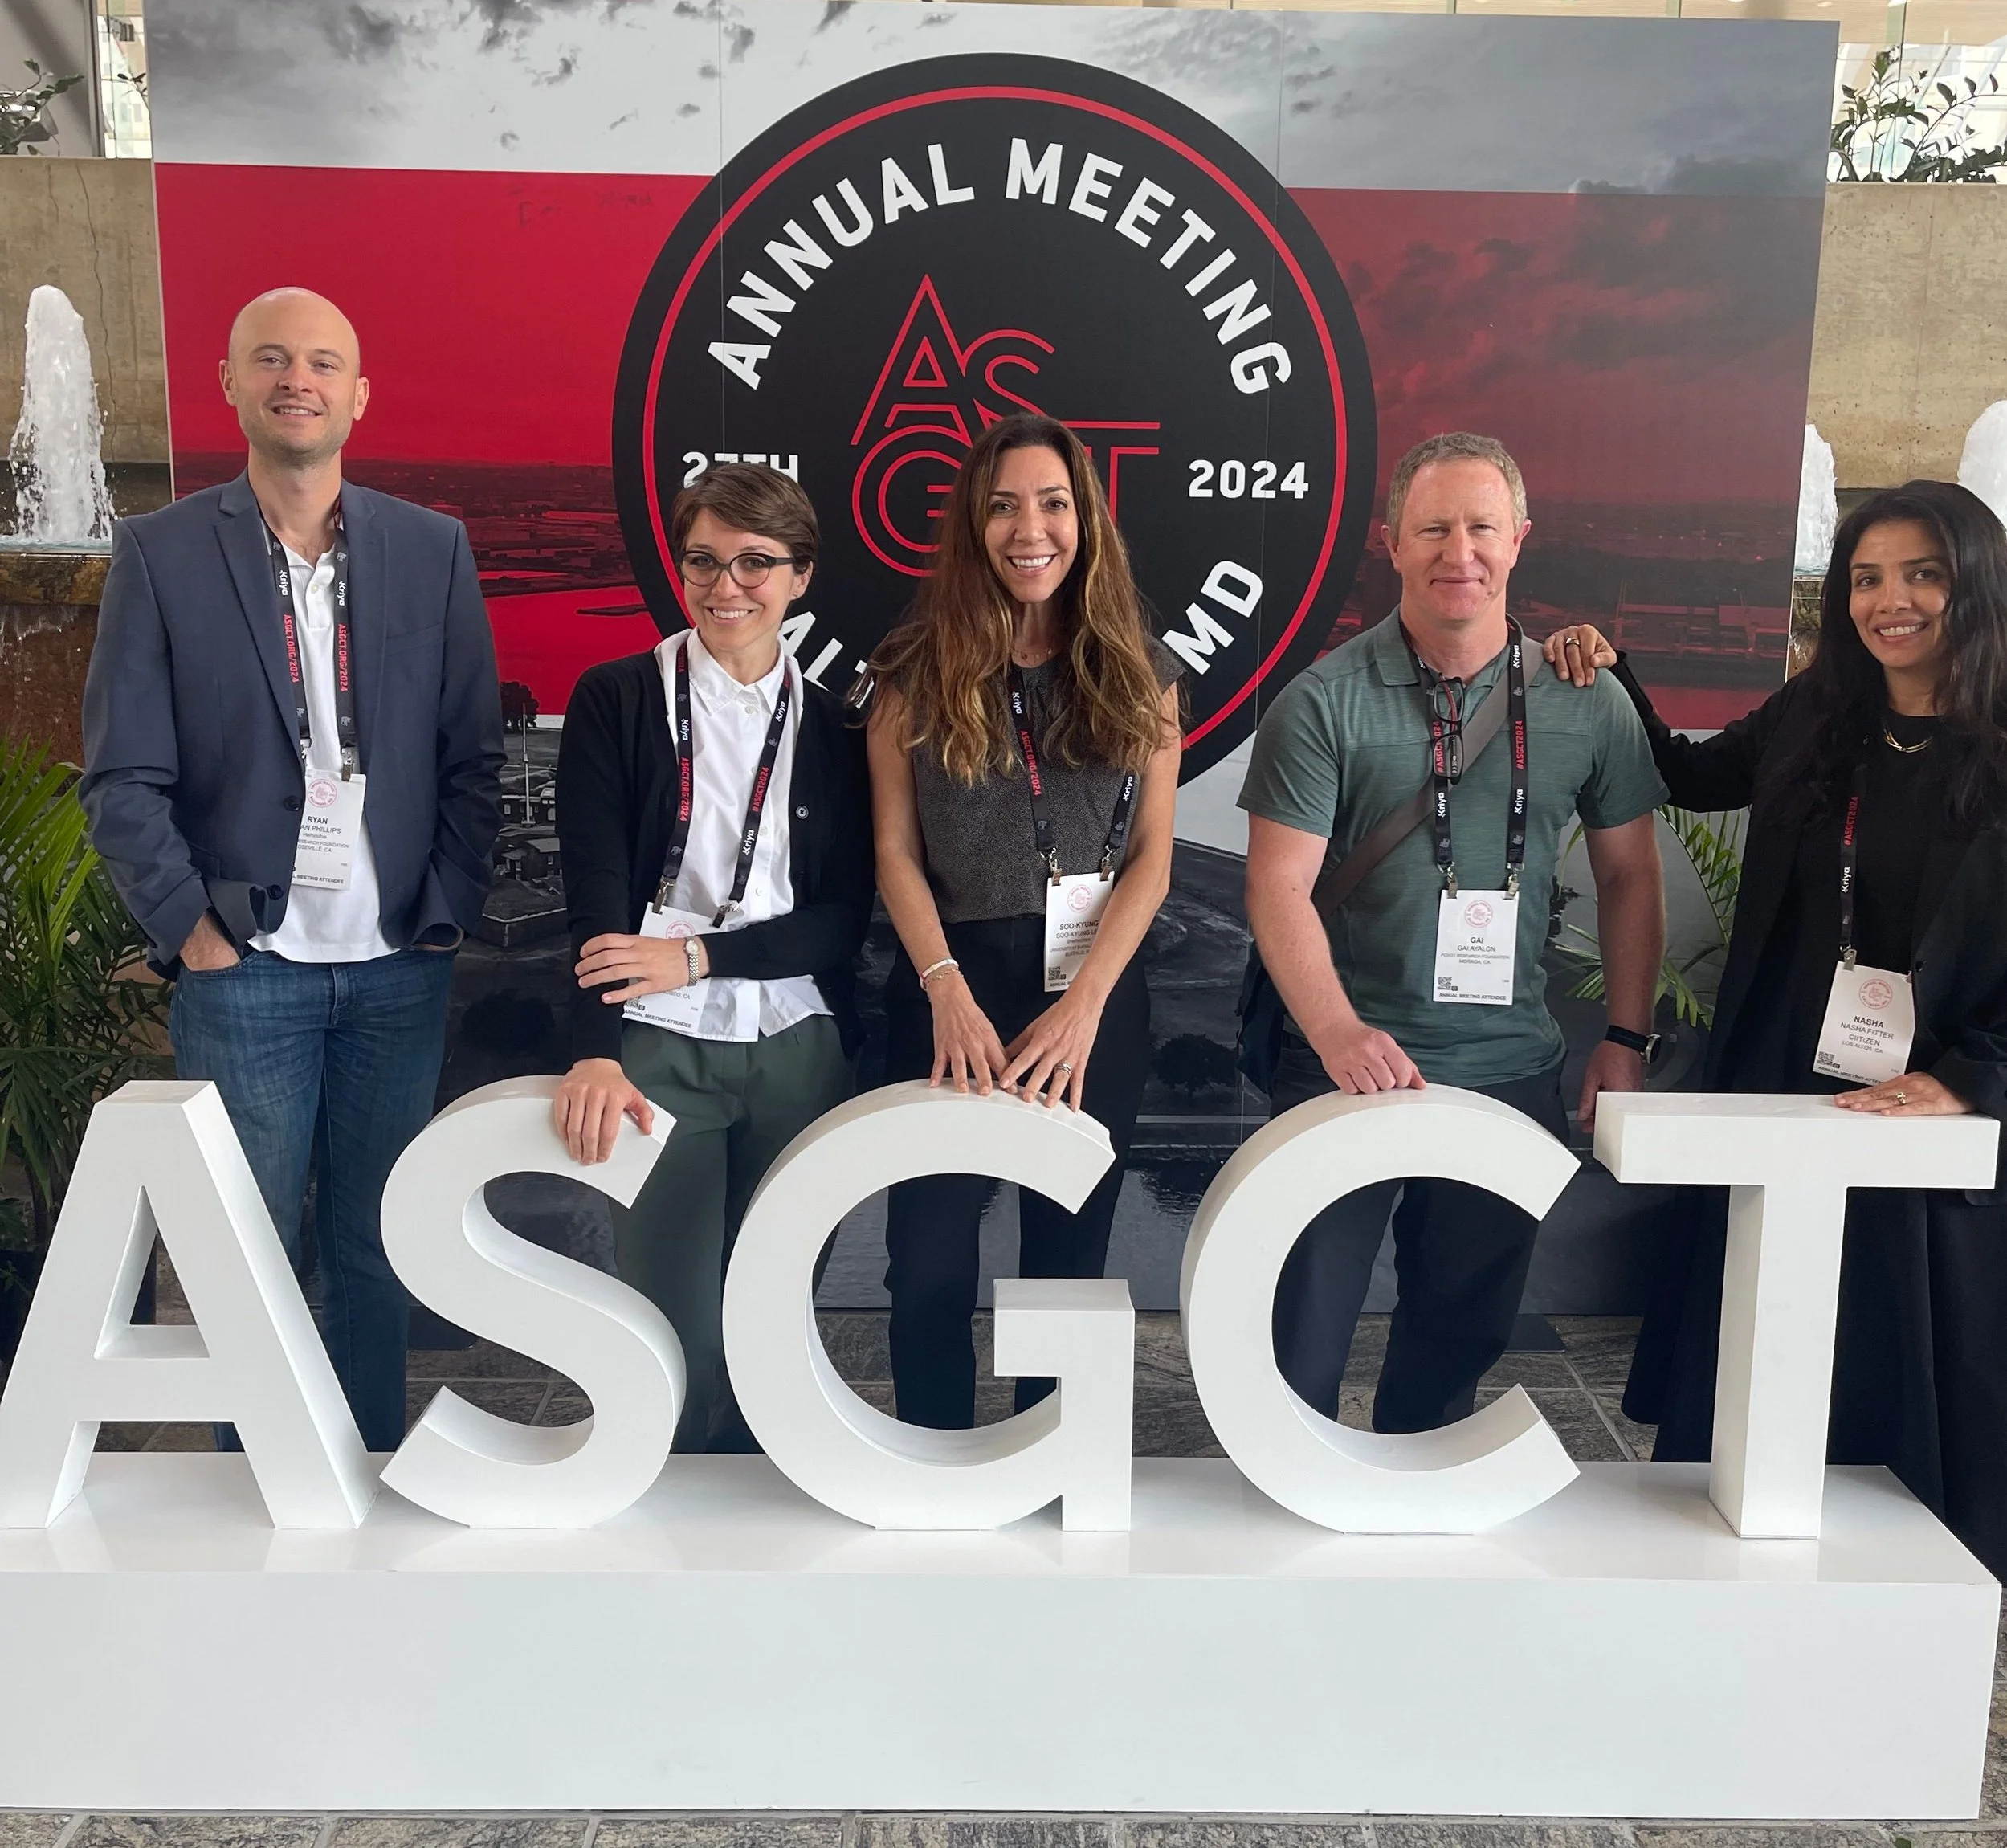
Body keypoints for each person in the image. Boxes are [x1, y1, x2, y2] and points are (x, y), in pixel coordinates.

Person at [1544, 479, 2007, 1574]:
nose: (1886, 601)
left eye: (1919, 574)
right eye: (1864, 577)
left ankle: (1909, 1561)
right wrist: (1613, 678)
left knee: (1901, 1325)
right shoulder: (1819, 710)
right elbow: (1693, 777)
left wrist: (1968, 1076)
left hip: (1928, 1104)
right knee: (1767, 1315)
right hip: (1782, 1078)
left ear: (1974, 585)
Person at [80, 287, 503, 1452]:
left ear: (358, 396)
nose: (297, 378)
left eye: (323, 362)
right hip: (244, 967)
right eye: (272, 358)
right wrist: (193, 934)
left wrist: (445, 910)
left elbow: (475, 756)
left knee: (378, 1249)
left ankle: (361, 1475)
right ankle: (248, 1497)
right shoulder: (161, 555)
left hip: (396, 969)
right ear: (229, 382)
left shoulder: (431, 550)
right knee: (244, 1251)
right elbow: (119, 778)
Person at [1238, 431, 1666, 1434]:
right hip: (1343, 1067)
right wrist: (1340, 1035)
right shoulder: (1323, 702)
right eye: (1434, 528)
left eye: (1481, 527)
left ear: (1520, 540)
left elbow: (1631, 873)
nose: (1458, 551)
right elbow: (1277, 889)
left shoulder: (1584, 698)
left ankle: (1411, 1519)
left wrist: (1628, 1036)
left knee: (1459, 1334)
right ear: (1391, 542)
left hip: (1509, 1070)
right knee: (1298, 1328)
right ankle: (1278, 1527)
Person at [864, 414, 1183, 1430]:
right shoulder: (910, 669)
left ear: (1084, 519)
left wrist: (1087, 1005)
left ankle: (1050, 1474)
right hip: (949, 984)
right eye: (1003, 506)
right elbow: (895, 854)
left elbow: (1152, 860)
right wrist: (945, 990)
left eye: (1051, 503)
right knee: (925, 1261)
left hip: (1088, 989)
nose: (1028, 528)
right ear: (973, 525)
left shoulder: (1145, 670)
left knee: (1067, 1259)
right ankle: (934, 1468)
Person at [552, 463, 871, 1453]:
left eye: (755, 563)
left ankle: (763, 1533)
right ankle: (680, 1543)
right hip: (654, 1045)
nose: (727, 587)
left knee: (776, 1317)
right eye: (704, 561)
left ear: (801, 575)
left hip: (797, 1042)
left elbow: (839, 922)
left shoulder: (838, 726)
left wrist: (693, 956)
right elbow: (595, 895)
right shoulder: (615, 699)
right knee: (675, 1324)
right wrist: (597, 1048)